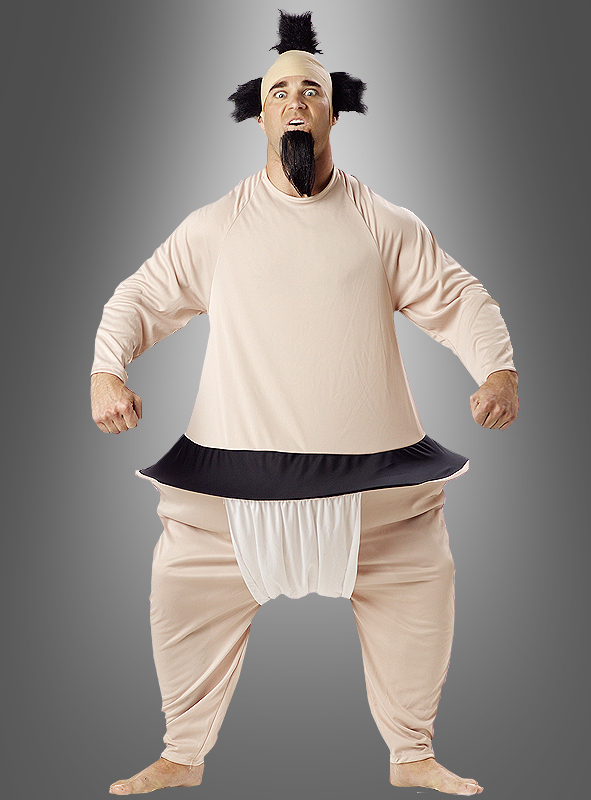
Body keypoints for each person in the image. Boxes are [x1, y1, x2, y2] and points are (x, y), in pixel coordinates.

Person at [91, 12, 518, 796]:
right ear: (258, 114)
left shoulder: (385, 224)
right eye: (278, 91)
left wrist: (497, 371)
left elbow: (459, 297)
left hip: (378, 492)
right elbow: (139, 297)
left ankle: (412, 753)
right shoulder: (214, 228)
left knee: (421, 585)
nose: (294, 101)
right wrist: (105, 372)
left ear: (333, 110)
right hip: (227, 493)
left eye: (310, 91)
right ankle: (182, 752)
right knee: (180, 591)